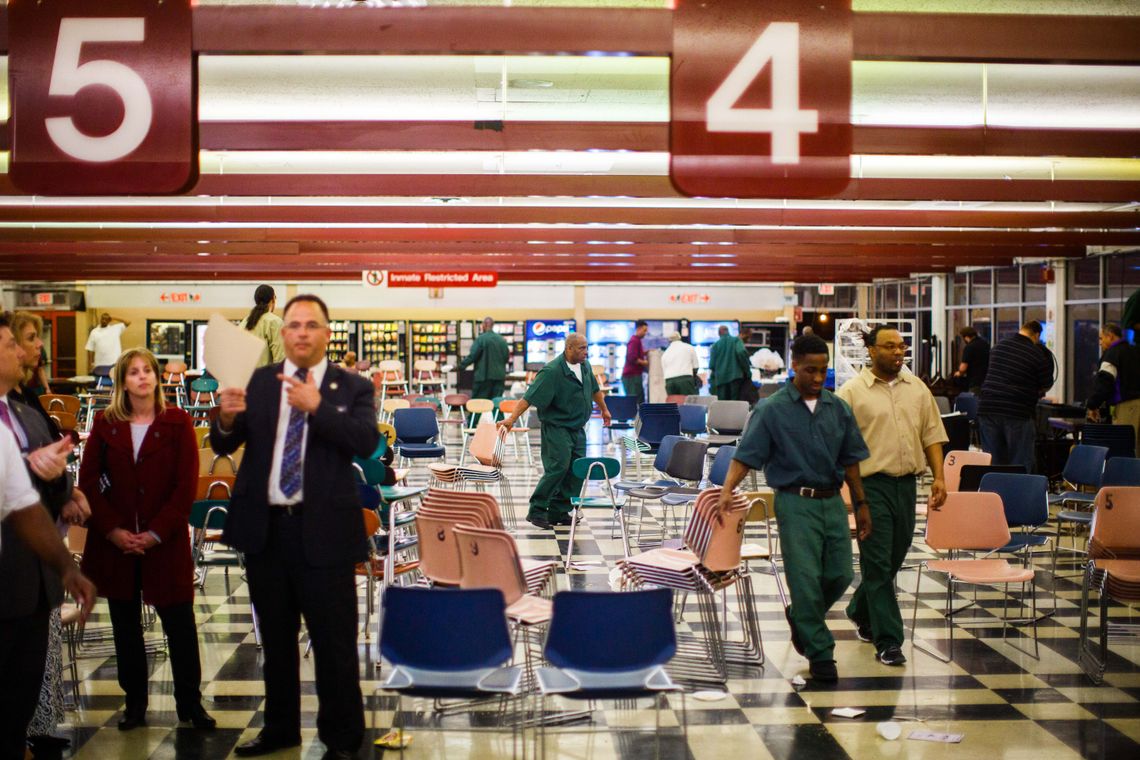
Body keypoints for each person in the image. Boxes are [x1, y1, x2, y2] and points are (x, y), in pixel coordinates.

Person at [211, 295, 379, 759]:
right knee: (277, 642)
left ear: (328, 333)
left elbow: (365, 442)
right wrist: (224, 417)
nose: (302, 332)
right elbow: (227, 437)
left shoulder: (353, 387)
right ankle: (281, 729)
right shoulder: (261, 381)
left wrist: (317, 406)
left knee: (334, 645)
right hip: (268, 532)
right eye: (294, 324)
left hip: (326, 533)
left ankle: (342, 739)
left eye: (312, 325)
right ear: (282, 333)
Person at [715, 334, 870, 682]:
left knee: (841, 573)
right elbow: (746, 456)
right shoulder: (772, 410)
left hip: (832, 501)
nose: (817, 378)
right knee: (804, 579)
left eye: (823, 370)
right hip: (794, 501)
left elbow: (851, 460)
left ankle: (800, 616)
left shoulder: (838, 408)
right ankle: (821, 654)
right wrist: (727, 489)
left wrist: (861, 504)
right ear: (794, 366)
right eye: (810, 370)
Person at [78, 348, 215, 733]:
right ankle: (134, 702)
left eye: (147, 371)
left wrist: (155, 533)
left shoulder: (177, 422)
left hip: (164, 542)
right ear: (122, 381)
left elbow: (185, 485)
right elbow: (89, 483)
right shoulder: (106, 424)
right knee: (125, 626)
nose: (142, 377)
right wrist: (113, 530)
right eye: (133, 372)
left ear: (156, 379)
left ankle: (190, 703)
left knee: (180, 624)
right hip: (116, 543)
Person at [836, 326, 947, 667]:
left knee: (895, 556)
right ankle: (889, 640)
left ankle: (858, 608)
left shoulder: (917, 389)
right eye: (889, 346)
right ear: (870, 350)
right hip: (870, 487)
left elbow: (932, 434)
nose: (898, 353)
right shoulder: (851, 393)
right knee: (879, 562)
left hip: (907, 485)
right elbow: (840, 446)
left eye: (901, 347)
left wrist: (939, 477)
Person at [7, 312, 91, 758]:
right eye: (21, 341)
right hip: (12, 557)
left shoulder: (24, 404)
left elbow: (44, 464)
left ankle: (32, 730)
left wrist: (67, 491)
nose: (31, 348)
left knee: (27, 671)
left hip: (37, 555)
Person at [0, 425, 95, 760]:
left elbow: (25, 508)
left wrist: (66, 566)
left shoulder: (3, 431)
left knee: (13, 706)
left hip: (11, 587)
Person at [498, 333, 611, 530]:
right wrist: (511, 420)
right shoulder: (551, 371)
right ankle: (537, 509)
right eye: (581, 348)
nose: (586, 352)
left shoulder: (585, 366)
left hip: (577, 427)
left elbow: (594, 390)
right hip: (557, 427)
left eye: (586, 347)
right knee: (558, 467)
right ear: (569, 348)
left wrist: (604, 409)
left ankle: (559, 510)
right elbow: (528, 398)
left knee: (576, 469)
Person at [976, 321, 1055, 472]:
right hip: (1017, 411)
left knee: (992, 462)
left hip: (987, 407)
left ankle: (994, 494)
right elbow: (1046, 384)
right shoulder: (1036, 353)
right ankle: (1019, 494)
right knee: (1020, 462)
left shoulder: (998, 347)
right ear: (1036, 335)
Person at [1085, 322, 1140, 456]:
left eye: (1101, 338)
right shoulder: (1134, 351)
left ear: (1110, 336)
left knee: (1126, 448)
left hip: (1127, 407)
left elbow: (1105, 382)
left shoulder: (1112, 355)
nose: (1100, 342)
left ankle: (1127, 477)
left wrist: (1092, 405)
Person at [458, 316, 510, 400]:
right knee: (497, 403)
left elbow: (472, 356)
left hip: (483, 377)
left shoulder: (481, 339)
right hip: (499, 377)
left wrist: (460, 366)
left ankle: (475, 414)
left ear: (484, 325)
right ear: (493, 325)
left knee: (477, 404)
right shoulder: (502, 340)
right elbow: (506, 357)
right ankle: (497, 414)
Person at [244, 284, 285, 368]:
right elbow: (280, 360)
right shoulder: (274, 322)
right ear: (273, 299)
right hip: (264, 379)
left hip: (242, 379)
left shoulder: (244, 322)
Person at [709, 325, 750, 400]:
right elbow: (741, 352)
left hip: (721, 379)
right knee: (735, 403)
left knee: (722, 404)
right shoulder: (736, 340)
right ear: (728, 331)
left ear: (719, 334)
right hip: (735, 377)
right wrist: (747, 372)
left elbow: (711, 365)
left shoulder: (715, 346)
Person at [953, 325, 990, 393]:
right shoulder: (985, 344)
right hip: (987, 381)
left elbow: (963, 368)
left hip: (974, 382)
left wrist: (958, 373)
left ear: (966, 337)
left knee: (973, 402)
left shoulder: (969, 347)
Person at [662, 332, 700, 397]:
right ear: (680, 338)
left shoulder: (665, 354)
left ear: (669, 341)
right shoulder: (689, 347)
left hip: (669, 381)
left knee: (673, 405)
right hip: (685, 379)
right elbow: (696, 366)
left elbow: (664, 371)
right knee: (688, 404)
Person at [621, 320, 649, 406]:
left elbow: (636, 354)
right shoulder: (634, 340)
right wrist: (645, 363)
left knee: (639, 399)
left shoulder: (637, 340)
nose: (645, 333)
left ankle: (637, 418)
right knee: (635, 401)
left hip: (634, 376)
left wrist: (646, 352)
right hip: (631, 377)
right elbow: (632, 357)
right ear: (639, 329)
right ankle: (634, 419)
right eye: (644, 330)